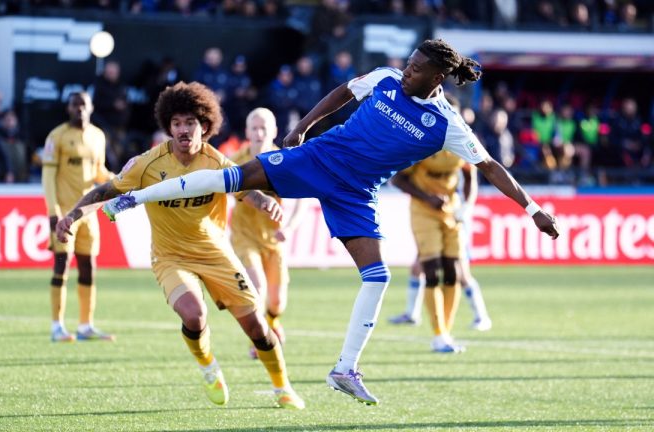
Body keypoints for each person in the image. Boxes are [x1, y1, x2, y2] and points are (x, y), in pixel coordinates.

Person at [101, 39, 561, 406]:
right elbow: (344, 92)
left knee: (377, 277)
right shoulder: (384, 79)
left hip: (356, 194)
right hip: (318, 159)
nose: (406, 70)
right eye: (408, 62)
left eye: (417, 68)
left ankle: (345, 370)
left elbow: (492, 168)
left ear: (437, 78)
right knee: (230, 177)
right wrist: (303, 125)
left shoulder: (447, 125)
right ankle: (134, 198)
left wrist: (533, 210)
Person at [55, 82, 305, 409]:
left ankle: (282, 387)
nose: (183, 130)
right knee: (194, 314)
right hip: (170, 256)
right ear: (168, 127)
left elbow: (246, 189)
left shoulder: (217, 162)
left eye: (190, 123)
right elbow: (105, 192)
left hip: (215, 253)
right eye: (176, 123)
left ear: (205, 126)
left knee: (256, 325)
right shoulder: (147, 164)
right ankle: (208, 366)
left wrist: (265, 203)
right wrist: (72, 216)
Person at [387, 154, 489, 353]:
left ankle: (445, 334)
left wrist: (467, 206)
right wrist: (427, 197)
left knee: (454, 273)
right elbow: (397, 179)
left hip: (452, 213)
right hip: (423, 213)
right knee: (431, 270)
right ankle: (438, 334)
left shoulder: (460, 143)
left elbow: (470, 176)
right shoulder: (424, 144)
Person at [230, 107, 305, 359]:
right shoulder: (236, 162)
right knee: (257, 286)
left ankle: (272, 322)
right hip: (243, 237)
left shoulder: (283, 160)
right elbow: (231, 192)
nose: (260, 132)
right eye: (255, 127)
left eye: (265, 128)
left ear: (274, 131)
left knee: (277, 302)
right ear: (247, 131)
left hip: (273, 239)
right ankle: (259, 341)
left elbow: (303, 197)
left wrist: (290, 227)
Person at [42, 91, 115, 343]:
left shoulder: (97, 136)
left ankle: (85, 325)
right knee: (61, 264)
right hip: (64, 213)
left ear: (91, 108)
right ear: (68, 109)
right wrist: (53, 212)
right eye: (75, 105)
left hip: (89, 212)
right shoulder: (57, 137)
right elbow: (48, 178)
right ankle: (56, 326)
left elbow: (99, 172)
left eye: (83, 105)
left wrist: (117, 180)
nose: (79, 110)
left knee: (88, 267)